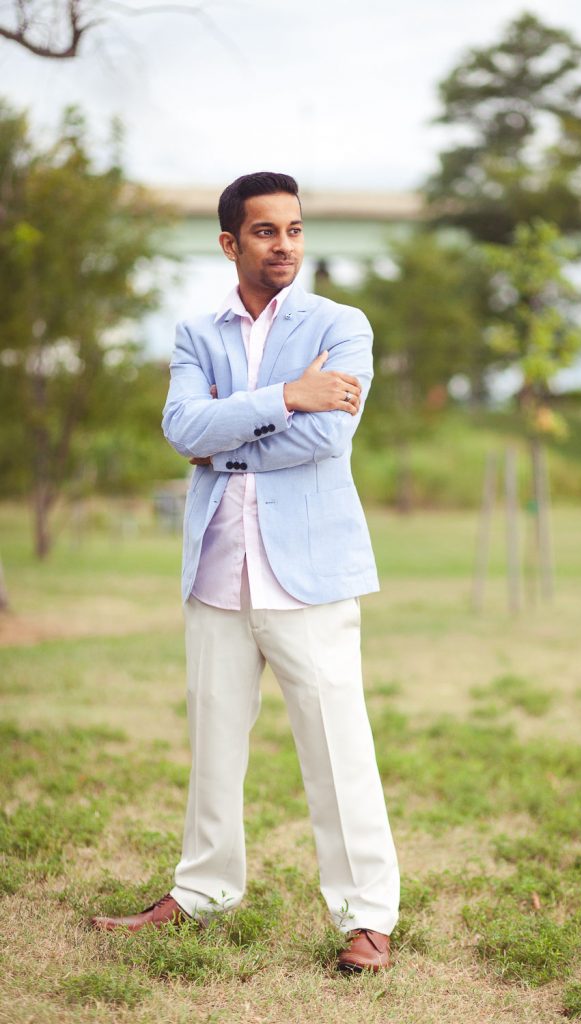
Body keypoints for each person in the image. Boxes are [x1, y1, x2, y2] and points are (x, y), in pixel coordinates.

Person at [90, 171, 400, 972]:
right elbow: (178, 424)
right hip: (216, 571)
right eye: (266, 232)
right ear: (230, 242)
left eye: (294, 229)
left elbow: (326, 439)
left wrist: (229, 437)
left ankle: (366, 916)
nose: (284, 245)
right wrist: (285, 396)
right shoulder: (197, 333)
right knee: (213, 740)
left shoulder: (343, 324)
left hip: (309, 573)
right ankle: (202, 891)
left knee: (336, 746)